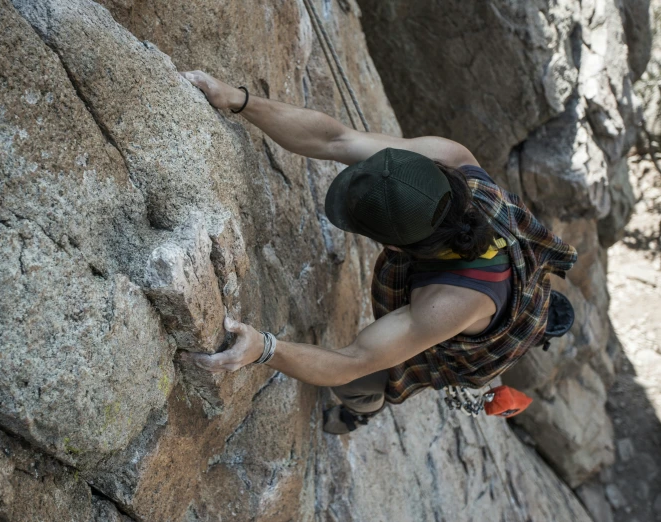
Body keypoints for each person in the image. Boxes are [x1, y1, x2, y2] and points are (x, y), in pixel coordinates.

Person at [179, 70, 577, 434]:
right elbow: (335, 139)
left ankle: (362, 409)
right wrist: (238, 100)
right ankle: (541, 306)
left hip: (486, 316)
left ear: (393, 248)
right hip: (506, 272)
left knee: (369, 379)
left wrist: (263, 349)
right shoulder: (450, 158)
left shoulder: (448, 305)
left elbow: (353, 360)